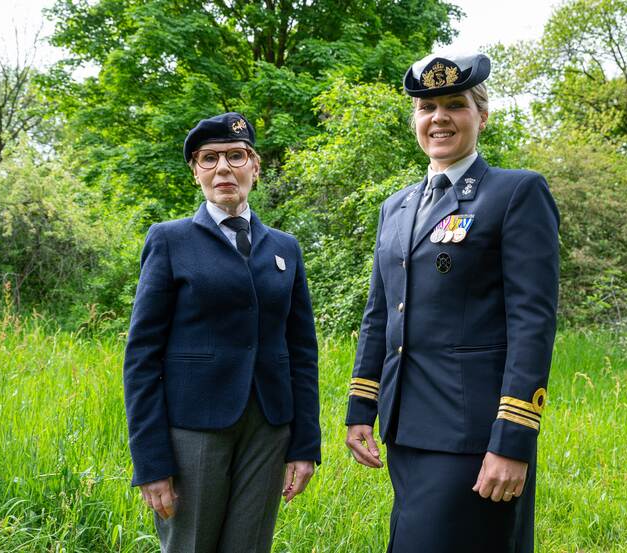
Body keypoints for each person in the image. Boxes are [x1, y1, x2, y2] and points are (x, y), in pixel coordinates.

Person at [344, 51, 559, 553]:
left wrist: (511, 438)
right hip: (406, 426)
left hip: (473, 434)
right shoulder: (395, 207)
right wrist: (362, 407)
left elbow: (532, 322)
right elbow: (380, 315)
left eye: (454, 104)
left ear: (481, 116)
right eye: (426, 107)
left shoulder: (514, 193)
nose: (438, 117)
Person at [123, 112, 321, 553]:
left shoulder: (284, 248)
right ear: (196, 172)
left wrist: (305, 444)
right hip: (193, 429)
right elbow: (141, 357)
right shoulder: (169, 240)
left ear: (255, 166)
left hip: (269, 429)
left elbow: (302, 352)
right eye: (209, 159)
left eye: (236, 156)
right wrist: (151, 461)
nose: (224, 168)